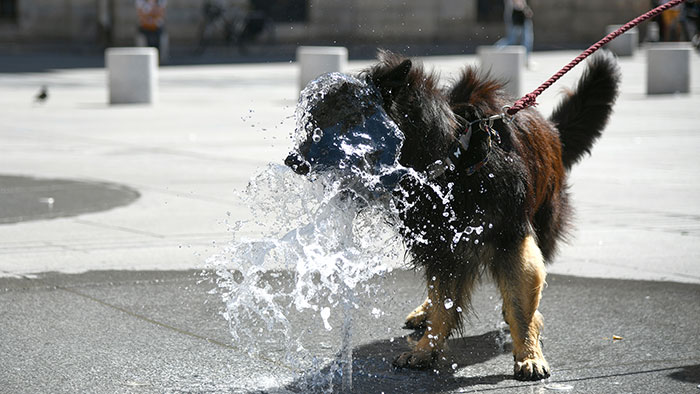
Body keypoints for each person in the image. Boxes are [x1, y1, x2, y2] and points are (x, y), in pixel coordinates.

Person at [495, 0, 534, 65]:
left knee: (524, 39)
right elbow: (518, 2)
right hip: (517, 13)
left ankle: (526, 61)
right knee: (516, 40)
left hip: (518, 13)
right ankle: (495, 50)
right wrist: (524, 8)